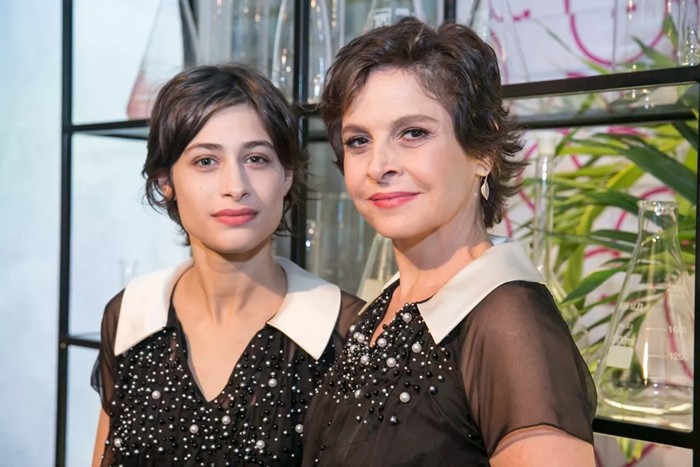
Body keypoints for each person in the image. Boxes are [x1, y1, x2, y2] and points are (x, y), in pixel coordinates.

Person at [301, 18, 597, 467]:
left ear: (482, 152)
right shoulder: (387, 305)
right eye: (358, 141)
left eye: (413, 133)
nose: (378, 165)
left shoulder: (508, 322)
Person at [90, 64, 364, 466]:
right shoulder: (132, 314)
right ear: (166, 181)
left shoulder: (347, 332)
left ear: (287, 176)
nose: (235, 186)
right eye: (206, 161)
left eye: (256, 158)